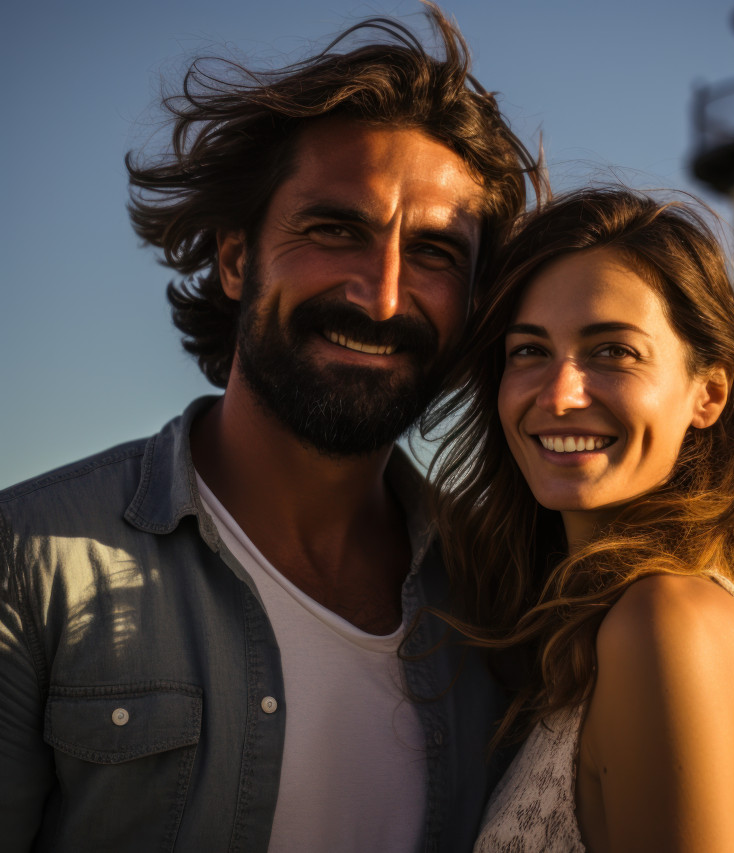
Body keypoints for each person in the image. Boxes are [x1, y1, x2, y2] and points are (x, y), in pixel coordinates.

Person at [0, 8, 543, 852]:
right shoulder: (27, 558)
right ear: (236, 258)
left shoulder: (500, 597)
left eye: (436, 253)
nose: (384, 295)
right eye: (336, 230)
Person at [421, 188, 734, 852]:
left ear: (708, 392)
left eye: (613, 352)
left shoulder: (664, 623)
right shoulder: (600, 616)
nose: (560, 394)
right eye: (529, 351)